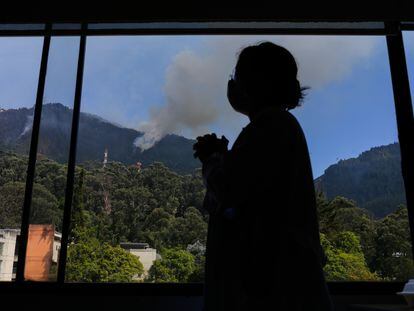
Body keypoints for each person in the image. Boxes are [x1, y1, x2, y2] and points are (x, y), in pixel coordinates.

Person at [193, 42, 334, 311]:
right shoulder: (277, 126)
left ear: (259, 82)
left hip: (271, 290)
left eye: (238, 76)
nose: (233, 84)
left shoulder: (270, 126)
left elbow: (230, 194)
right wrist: (225, 158)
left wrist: (212, 159)